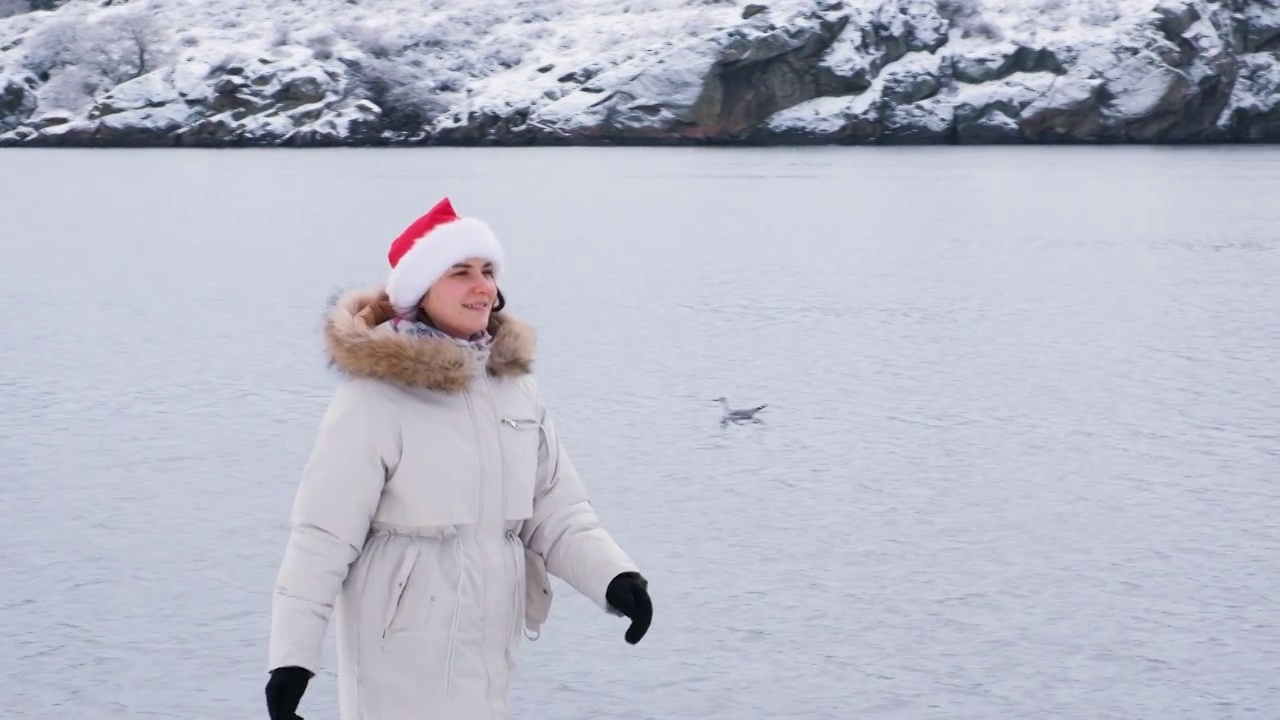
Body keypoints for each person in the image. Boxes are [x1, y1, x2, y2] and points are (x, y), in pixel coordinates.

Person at [264, 197, 652, 720]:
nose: (482, 287)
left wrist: (614, 577)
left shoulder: (515, 391)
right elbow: (322, 539)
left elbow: (556, 511)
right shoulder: (374, 399)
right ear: (420, 290)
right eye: (461, 272)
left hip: (490, 649)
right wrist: (292, 662)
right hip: (399, 656)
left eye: (488, 271)